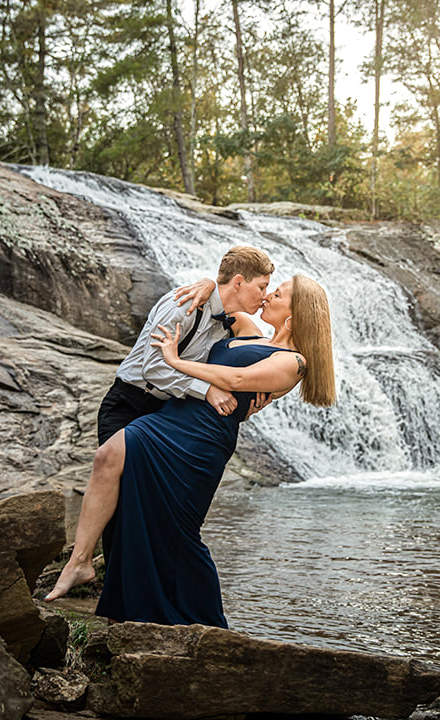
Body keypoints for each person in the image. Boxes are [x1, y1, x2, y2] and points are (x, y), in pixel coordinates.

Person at [46, 276, 336, 629]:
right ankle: (89, 571)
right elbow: (224, 299)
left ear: (295, 315)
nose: (268, 295)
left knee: (178, 530)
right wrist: (208, 283)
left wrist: (175, 360)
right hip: (170, 419)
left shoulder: (294, 362)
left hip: (202, 441)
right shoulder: (246, 327)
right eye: (268, 288)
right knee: (108, 459)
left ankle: (206, 624)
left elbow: (238, 382)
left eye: (278, 294)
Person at [93, 246, 274, 563]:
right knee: (119, 495)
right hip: (129, 402)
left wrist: (254, 398)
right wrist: (205, 391)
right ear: (240, 282)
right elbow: (154, 368)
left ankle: (141, 590)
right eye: (262, 286)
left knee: (152, 501)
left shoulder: (231, 321)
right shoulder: (184, 304)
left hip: (168, 413)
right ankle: (107, 588)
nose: (265, 295)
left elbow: (259, 354)